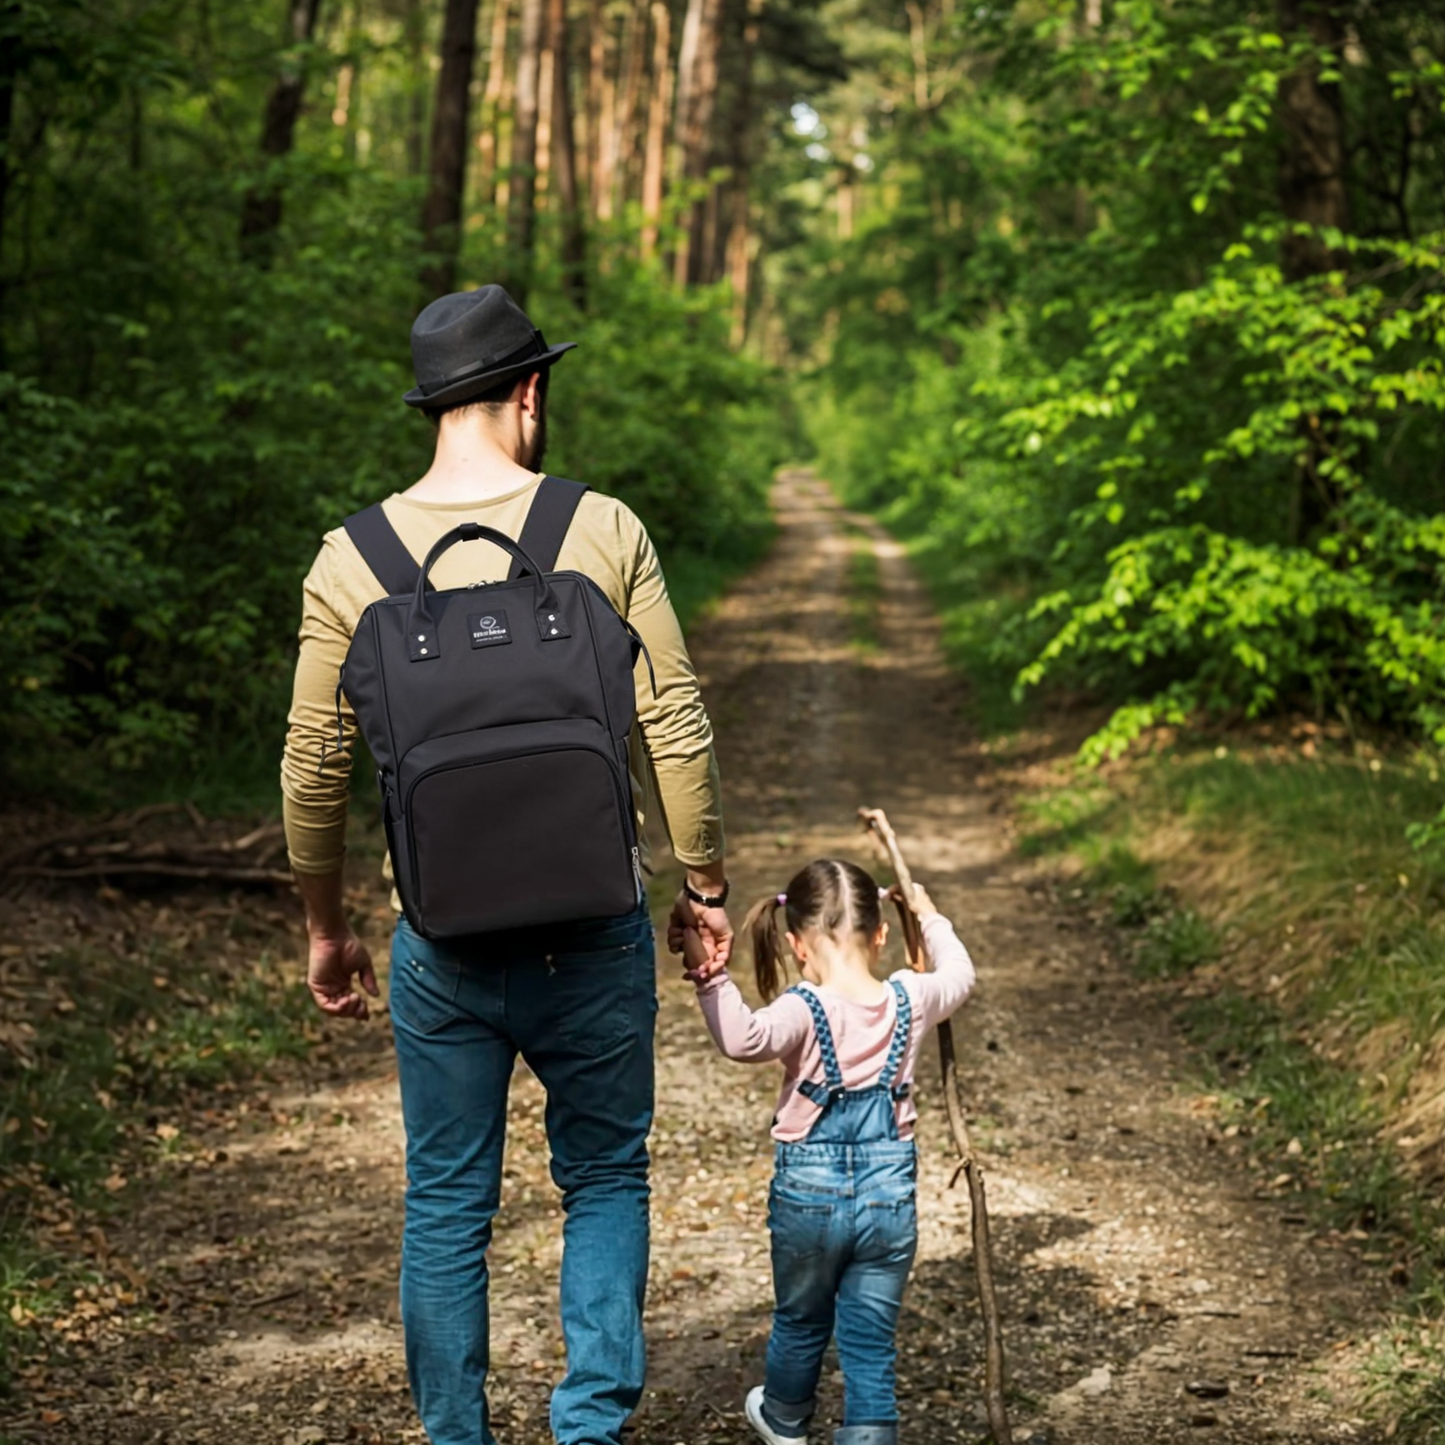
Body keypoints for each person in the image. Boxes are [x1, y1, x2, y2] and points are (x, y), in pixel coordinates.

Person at [279, 284, 734, 1445]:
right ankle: (588, 1427)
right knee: (604, 1178)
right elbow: (672, 722)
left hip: (442, 943)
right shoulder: (601, 527)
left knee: (445, 1203)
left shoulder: (351, 557)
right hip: (590, 929)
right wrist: (705, 887)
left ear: (430, 404)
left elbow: (312, 767)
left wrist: (327, 925)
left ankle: (456, 1435)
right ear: (528, 392)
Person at [680, 859, 975, 1445]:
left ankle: (787, 1418)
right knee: (869, 1334)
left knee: (800, 1318)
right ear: (882, 934)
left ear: (796, 945)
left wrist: (711, 978)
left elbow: (743, 1040)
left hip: (808, 1198)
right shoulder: (911, 997)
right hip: (888, 1196)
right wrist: (931, 916)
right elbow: (961, 976)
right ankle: (867, 1435)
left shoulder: (801, 1008)